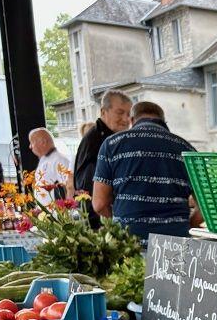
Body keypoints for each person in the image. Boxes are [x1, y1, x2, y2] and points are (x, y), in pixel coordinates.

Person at [92, 100, 200, 241]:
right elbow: (206, 208)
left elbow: (99, 204)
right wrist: (187, 224)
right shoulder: (187, 149)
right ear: (163, 121)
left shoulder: (111, 145)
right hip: (175, 245)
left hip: (129, 245)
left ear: (132, 120)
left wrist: (120, 224)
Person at [74, 89, 132, 226]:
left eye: (129, 114)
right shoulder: (100, 142)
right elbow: (96, 195)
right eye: (119, 113)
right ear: (103, 112)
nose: (125, 119)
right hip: (100, 222)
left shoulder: (108, 138)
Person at [28, 127, 72, 205]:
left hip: (57, 213)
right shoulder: (44, 159)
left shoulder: (59, 160)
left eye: (32, 142)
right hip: (46, 213)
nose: (30, 147)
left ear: (43, 142)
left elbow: (68, 188)